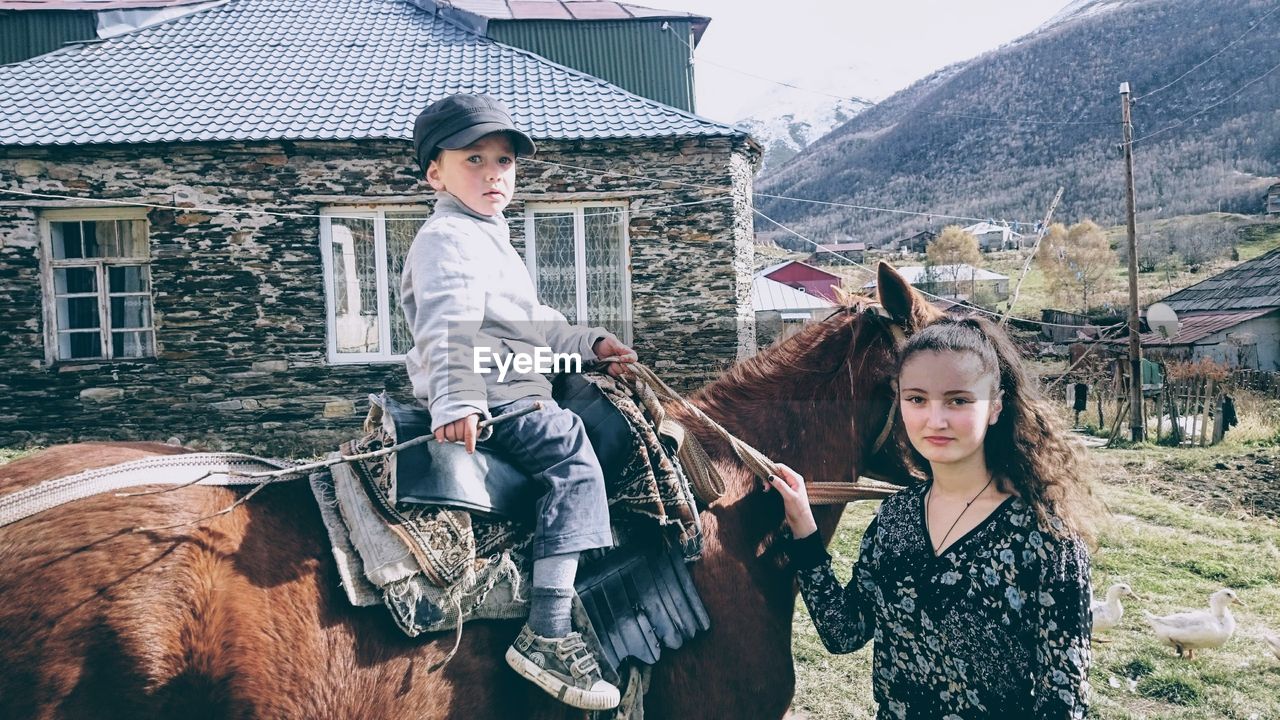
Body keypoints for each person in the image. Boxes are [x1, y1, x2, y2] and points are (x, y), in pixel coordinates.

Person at [402, 93, 634, 711]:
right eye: (473, 159)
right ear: (436, 173)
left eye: (503, 161)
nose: (492, 173)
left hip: (515, 379)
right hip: (495, 393)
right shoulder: (447, 236)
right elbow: (447, 323)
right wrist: (456, 400)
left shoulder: (490, 237)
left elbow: (535, 324)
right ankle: (548, 630)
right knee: (574, 456)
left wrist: (589, 344)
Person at [769, 315, 1094, 719]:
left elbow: (1064, 700)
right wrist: (804, 527)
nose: (934, 420)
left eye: (958, 400)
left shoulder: (1045, 537)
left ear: (995, 407)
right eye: (917, 399)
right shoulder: (894, 520)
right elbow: (844, 632)